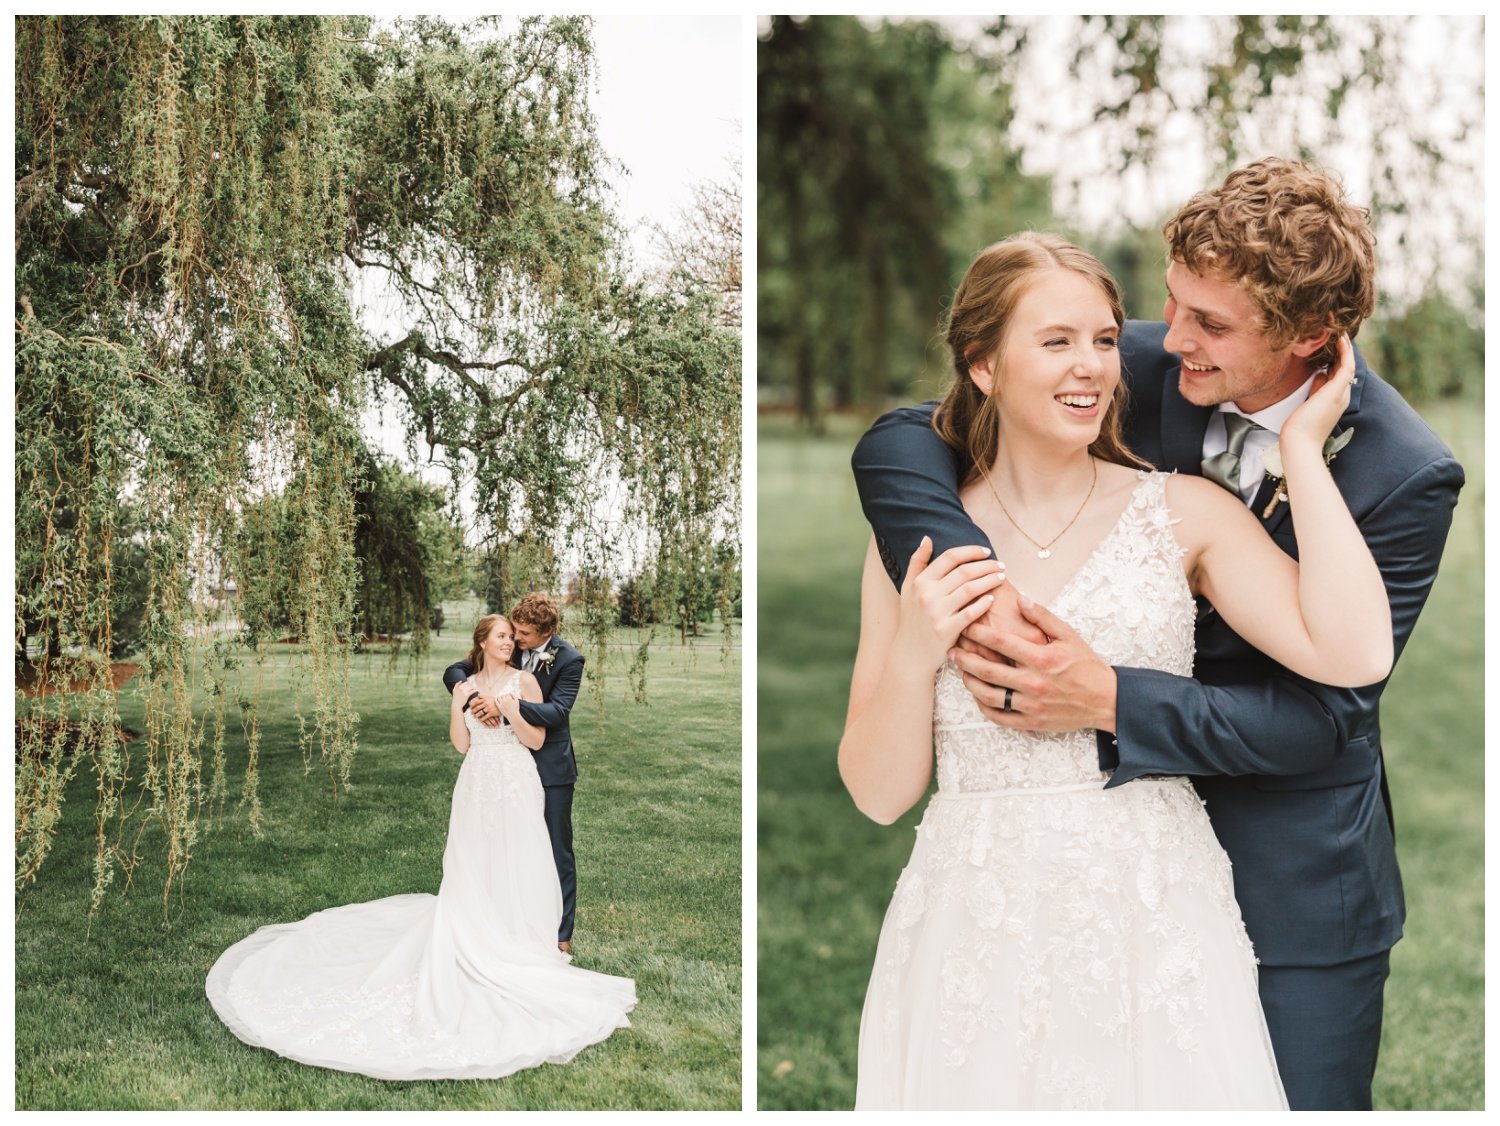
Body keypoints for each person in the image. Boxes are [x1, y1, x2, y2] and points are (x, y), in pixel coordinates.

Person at [850, 160, 1464, 1109]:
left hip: (1265, 871)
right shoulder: (1126, 362)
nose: (1158, 342)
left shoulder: (1402, 472)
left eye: (1207, 324)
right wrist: (959, 585)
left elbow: (1333, 705)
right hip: (982, 907)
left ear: (1310, 338)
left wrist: (1108, 699)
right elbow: (905, 431)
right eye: (1169, 306)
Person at [206, 614, 634, 1080]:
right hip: (476, 782)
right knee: (472, 862)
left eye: (513, 636)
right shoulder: (465, 682)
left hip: (515, 780)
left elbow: (534, 739)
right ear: (484, 643)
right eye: (502, 636)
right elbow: (461, 745)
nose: (510, 642)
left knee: (521, 859)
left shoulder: (527, 681)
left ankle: (522, 937)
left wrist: (509, 708)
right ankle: (475, 932)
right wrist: (462, 704)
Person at [444, 592, 583, 951]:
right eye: (512, 632)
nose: (516, 639)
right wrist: (475, 702)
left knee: (553, 847)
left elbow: (557, 713)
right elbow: (457, 671)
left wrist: (506, 708)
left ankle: (560, 933)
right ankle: (496, 916)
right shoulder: (509, 647)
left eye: (522, 634)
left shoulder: (568, 659)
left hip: (548, 765)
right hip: (494, 764)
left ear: (544, 631)